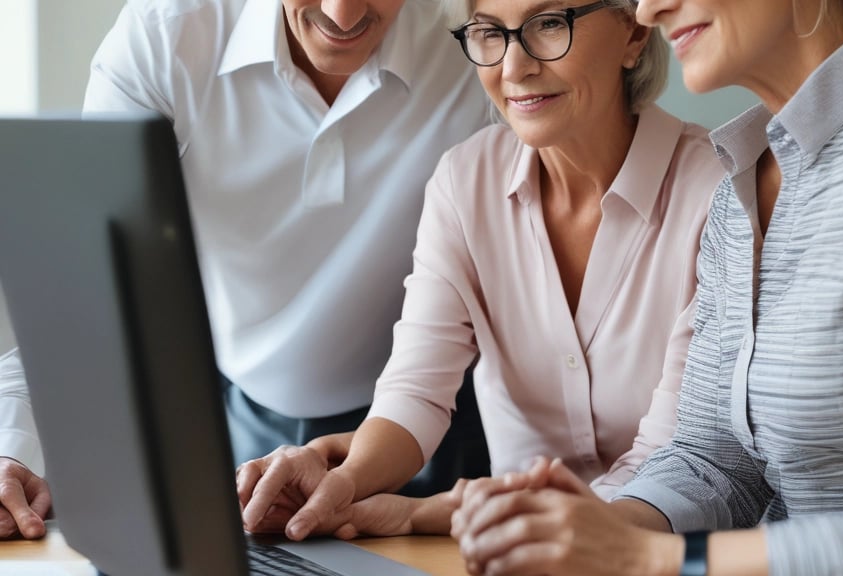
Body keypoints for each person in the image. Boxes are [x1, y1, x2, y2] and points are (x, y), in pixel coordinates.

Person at [451, 0, 843, 574]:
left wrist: (652, 557)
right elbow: (715, 461)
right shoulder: (739, 186)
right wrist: (595, 524)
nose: (650, 10)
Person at [0, 0, 494, 540]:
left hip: (443, 424)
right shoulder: (166, 39)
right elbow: (86, 286)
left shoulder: (481, 39)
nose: (342, 12)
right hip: (231, 422)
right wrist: (14, 446)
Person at [234, 0, 724, 542]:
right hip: (506, 552)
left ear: (632, 33)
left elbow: (677, 460)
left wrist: (435, 512)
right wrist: (340, 485)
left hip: (665, 553)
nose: (513, 67)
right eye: (490, 33)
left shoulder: (717, 191)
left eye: (548, 24)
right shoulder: (465, 180)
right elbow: (416, 392)